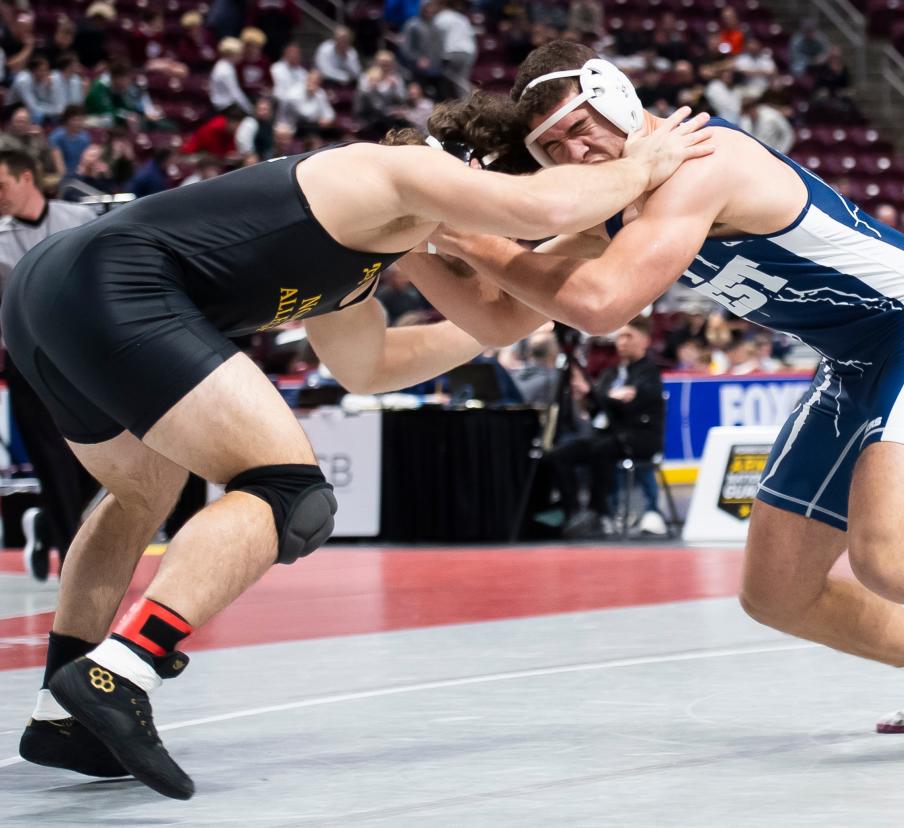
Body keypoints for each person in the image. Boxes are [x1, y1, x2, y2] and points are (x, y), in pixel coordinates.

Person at [427, 41, 904, 751]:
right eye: (551, 150)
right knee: (778, 593)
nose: (573, 155)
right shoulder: (614, 208)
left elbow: (600, 306)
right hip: (854, 358)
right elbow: (497, 319)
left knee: (894, 557)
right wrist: (418, 240)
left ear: (616, 99)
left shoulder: (704, 158)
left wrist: (458, 228)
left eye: (578, 129)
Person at [8, 109, 711, 797]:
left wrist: (556, 269)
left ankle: (62, 716)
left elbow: (373, 366)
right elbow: (538, 205)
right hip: (114, 285)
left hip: (44, 294)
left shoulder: (360, 254)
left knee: (139, 495)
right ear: (472, 174)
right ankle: (125, 666)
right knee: (289, 492)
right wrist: (639, 168)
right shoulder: (393, 170)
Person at [0, 148, 101, 582]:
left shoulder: (80, 219)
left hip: (83, 356)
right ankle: (73, 556)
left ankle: (48, 525)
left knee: (108, 450)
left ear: (27, 178)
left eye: (1, 184)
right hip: (27, 359)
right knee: (50, 458)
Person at [548, 316, 665, 538]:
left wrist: (599, 395)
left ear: (645, 340)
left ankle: (600, 511)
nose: (622, 342)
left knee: (601, 449)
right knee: (561, 453)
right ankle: (573, 511)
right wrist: (588, 398)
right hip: (609, 434)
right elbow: (599, 408)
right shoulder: (611, 374)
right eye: (619, 336)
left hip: (639, 437)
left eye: (628, 336)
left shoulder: (649, 371)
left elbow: (631, 406)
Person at [209, 37, 253, 114]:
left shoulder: (225, 65)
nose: (242, 56)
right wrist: (249, 109)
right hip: (223, 106)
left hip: (225, 104)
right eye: (240, 54)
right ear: (232, 54)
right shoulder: (225, 70)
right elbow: (235, 93)